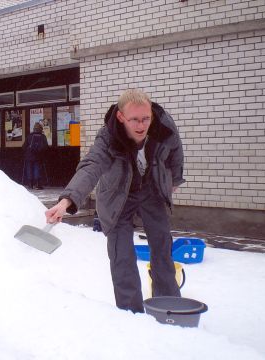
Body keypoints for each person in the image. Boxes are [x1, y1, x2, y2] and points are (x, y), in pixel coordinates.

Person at [45, 89, 185, 314]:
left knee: (162, 247)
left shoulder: (164, 126)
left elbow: (176, 153)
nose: (141, 126)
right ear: (121, 117)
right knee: (121, 254)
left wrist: (174, 180)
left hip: (151, 189)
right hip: (118, 194)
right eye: (134, 120)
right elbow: (91, 166)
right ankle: (131, 313)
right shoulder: (108, 136)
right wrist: (67, 201)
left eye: (146, 119)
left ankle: (168, 306)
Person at [23, 122, 49, 190]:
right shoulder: (43, 136)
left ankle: (30, 184)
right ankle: (37, 184)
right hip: (38, 156)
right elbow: (46, 147)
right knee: (36, 169)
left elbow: (24, 146)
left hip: (29, 156)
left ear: (34, 129)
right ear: (40, 129)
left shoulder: (29, 136)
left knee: (29, 169)